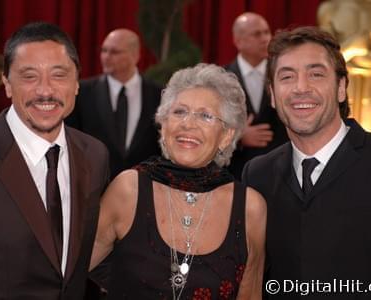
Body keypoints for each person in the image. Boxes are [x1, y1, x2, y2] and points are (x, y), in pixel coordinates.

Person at [242, 26, 371, 299]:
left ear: (342, 87)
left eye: (316, 74)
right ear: (273, 95)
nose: (301, 88)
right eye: (287, 76)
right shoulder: (257, 174)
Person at [91, 63, 266, 299]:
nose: (188, 123)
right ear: (163, 126)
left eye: (205, 116)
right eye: (179, 112)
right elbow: (67, 272)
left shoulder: (250, 208)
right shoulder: (128, 189)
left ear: (225, 136)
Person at [0, 22, 110, 299]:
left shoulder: (94, 154)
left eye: (59, 75)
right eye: (29, 76)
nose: (45, 91)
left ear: (77, 83)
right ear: (7, 84)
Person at [66, 28, 162, 179]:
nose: (106, 57)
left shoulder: (159, 95)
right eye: (104, 50)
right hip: (93, 189)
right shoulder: (81, 92)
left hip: (144, 189)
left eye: (114, 52)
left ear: (135, 55)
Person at [317, 0, 371, 133]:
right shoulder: (330, 9)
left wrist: (357, 56)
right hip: (339, 83)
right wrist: (353, 46)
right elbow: (325, 59)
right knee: (338, 138)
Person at [225, 12, 287, 179]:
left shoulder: (284, 75)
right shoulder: (221, 79)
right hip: (235, 175)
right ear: (238, 41)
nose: (265, 38)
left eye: (267, 32)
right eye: (257, 34)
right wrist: (237, 138)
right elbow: (210, 125)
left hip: (279, 173)